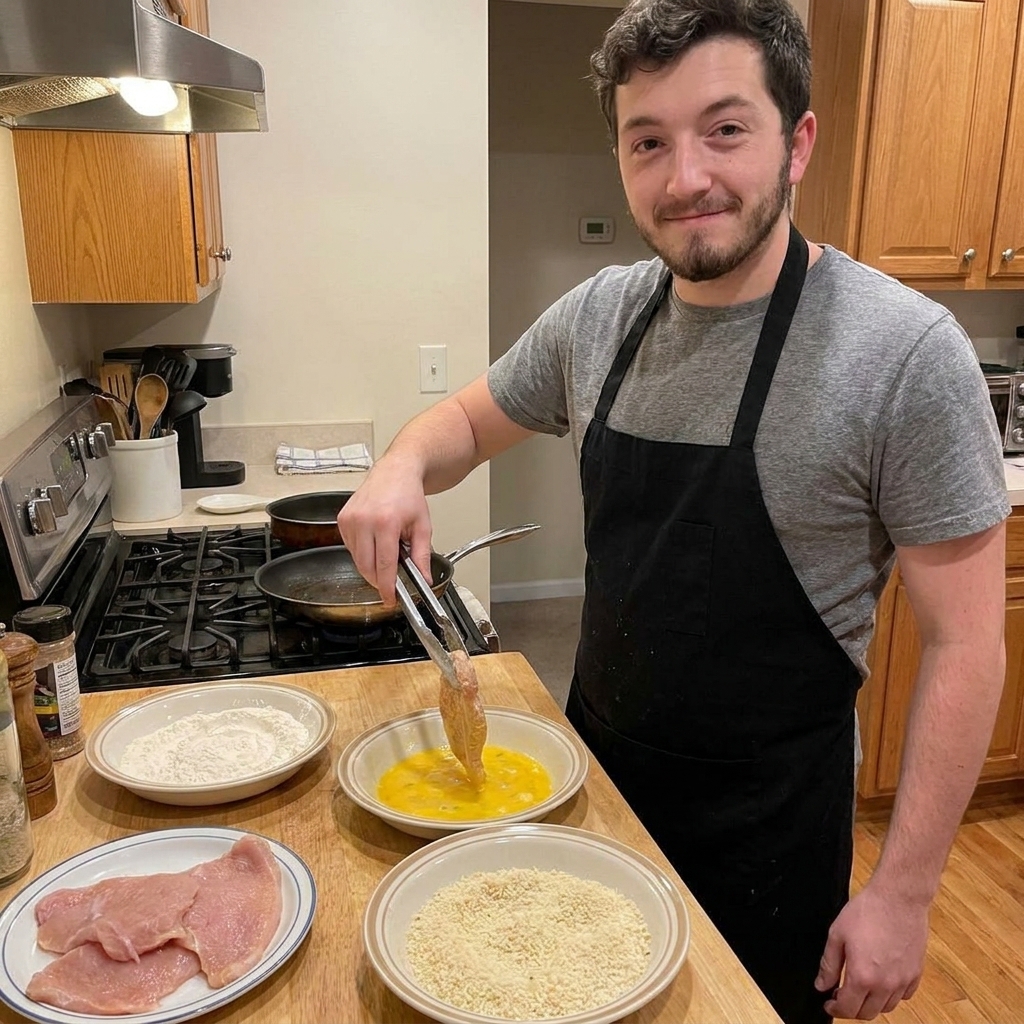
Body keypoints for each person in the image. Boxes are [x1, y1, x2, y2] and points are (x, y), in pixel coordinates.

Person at [338, 1, 1010, 1020]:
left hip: (770, 839)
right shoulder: (599, 316)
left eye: (725, 129)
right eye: (647, 141)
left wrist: (905, 893)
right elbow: (465, 425)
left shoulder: (903, 354)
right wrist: (398, 465)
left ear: (798, 141)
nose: (685, 176)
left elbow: (966, 645)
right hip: (596, 794)